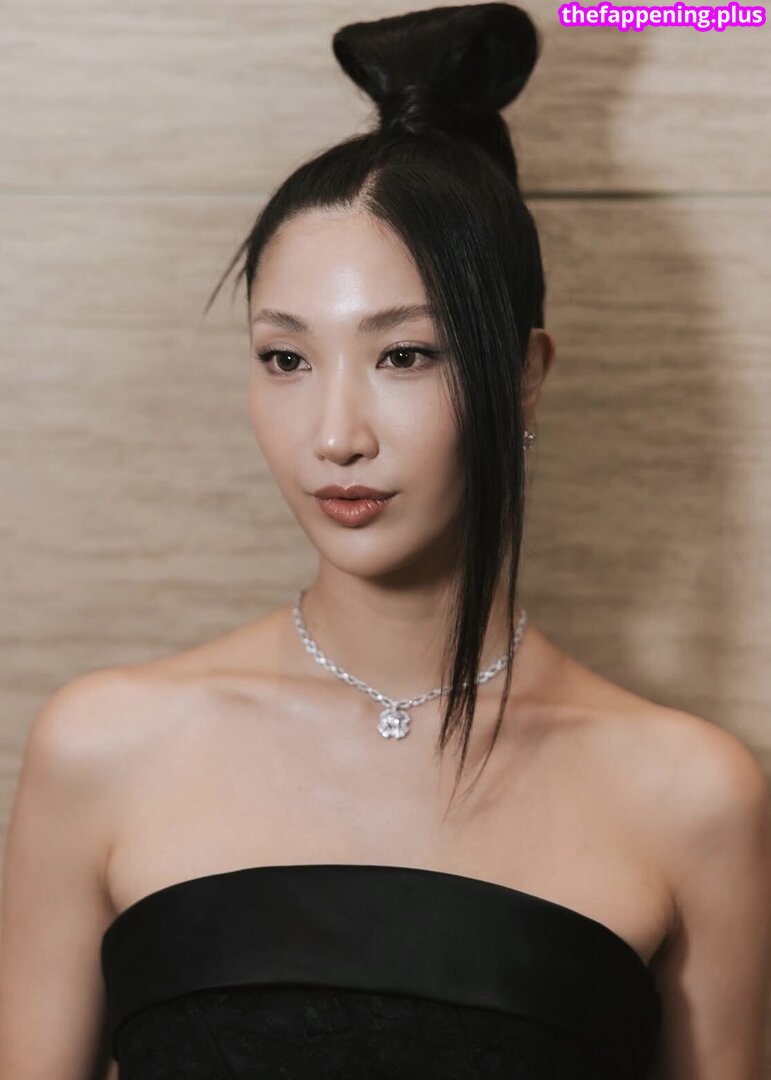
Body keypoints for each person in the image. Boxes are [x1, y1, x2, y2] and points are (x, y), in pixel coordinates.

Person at [1, 3, 770, 1078]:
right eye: (286, 359)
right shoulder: (103, 749)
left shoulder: (690, 795)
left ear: (525, 376)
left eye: (404, 356)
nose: (335, 435)